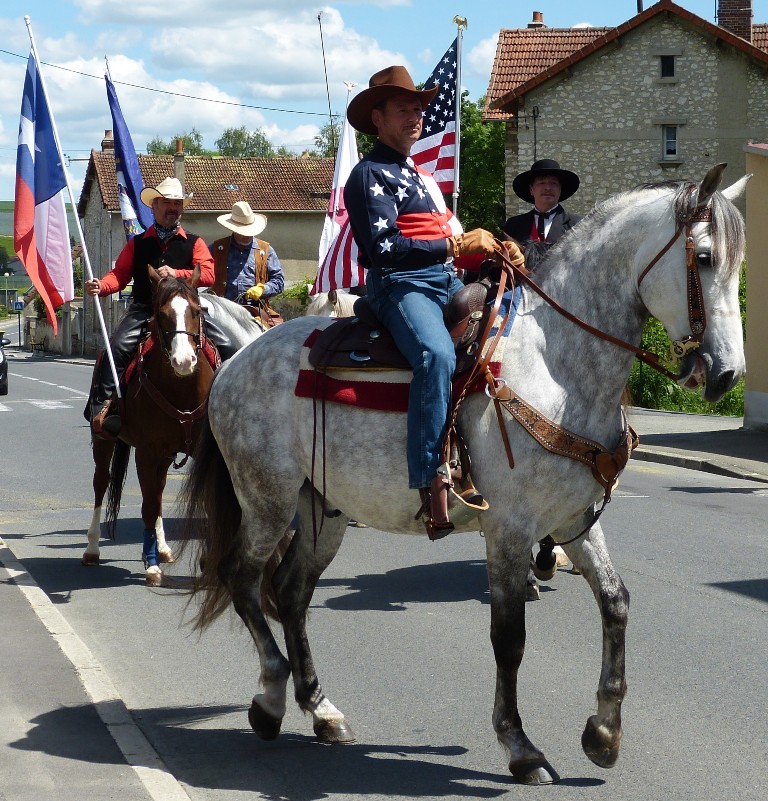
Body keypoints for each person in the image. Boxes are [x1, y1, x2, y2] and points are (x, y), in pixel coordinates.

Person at [344, 65, 521, 539]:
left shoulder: (420, 177)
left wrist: (496, 251)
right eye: (405, 108)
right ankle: (431, 478)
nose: (416, 116)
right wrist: (456, 249)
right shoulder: (368, 176)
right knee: (436, 353)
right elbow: (384, 250)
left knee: (511, 330)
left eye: (419, 108)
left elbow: (453, 236)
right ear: (377, 118)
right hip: (401, 285)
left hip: (444, 278)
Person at [84, 177, 236, 437]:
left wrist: (177, 273)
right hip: (146, 309)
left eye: (177, 203)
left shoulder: (195, 243)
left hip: (186, 311)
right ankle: (106, 407)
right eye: (166, 202)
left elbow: (208, 274)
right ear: (154, 206)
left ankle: (233, 407)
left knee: (230, 347)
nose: (172, 208)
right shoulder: (138, 243)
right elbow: (119, 275)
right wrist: (102, 286)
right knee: (116, 347)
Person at [208, 201, 285, 317]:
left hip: (256, 311)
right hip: (221, 312)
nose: (246, 235)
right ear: (233, 229)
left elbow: (279, 281)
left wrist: (263, 289)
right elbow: (202, 274)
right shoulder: (217, 249)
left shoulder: (265, 250)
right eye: (242, 232)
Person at [503, 158, 582, 258]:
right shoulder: (513, 225)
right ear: (531, 189)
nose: (548, 188)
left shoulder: (577, 225)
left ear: (560, 189)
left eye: (553, 183)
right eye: (542, 183)